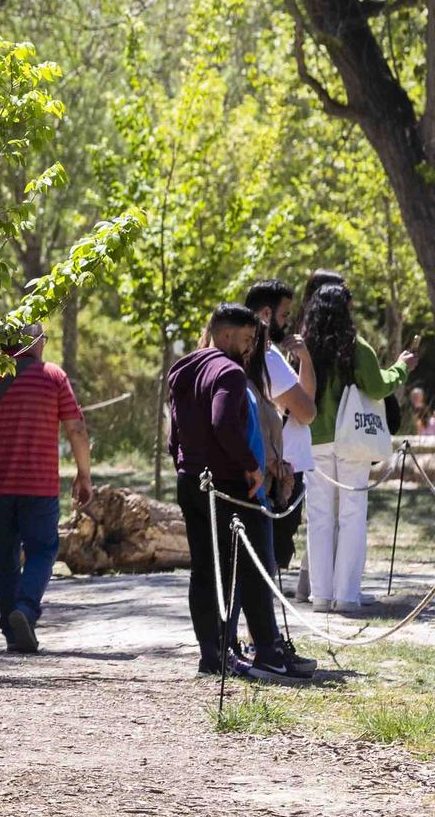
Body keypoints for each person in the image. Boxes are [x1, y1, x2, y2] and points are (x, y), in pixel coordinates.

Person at [169, 304, 309, 679]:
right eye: (246, 339)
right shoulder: (229, 373)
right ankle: (265, 652)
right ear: (226, 334)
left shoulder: (181, 369)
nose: (249, 349)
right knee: (247, 570)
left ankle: (213, 655)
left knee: (204, 570)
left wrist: (183, 465)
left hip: (191, 480)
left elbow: (175, 431)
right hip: (229, 485)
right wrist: (250, 465)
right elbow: (223, 421)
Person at [0, 323, 91, 654]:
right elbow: (76, 428)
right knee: (43, 549)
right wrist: (84, 474)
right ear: (37, 343)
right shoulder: (52, 377)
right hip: (39, 485)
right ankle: (25, 610)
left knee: (4, 556)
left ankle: (11, 629)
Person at [300, 283, 415, 612]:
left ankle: (321, 596)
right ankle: (346, 595)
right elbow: (378, 387)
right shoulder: (355, 347)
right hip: (351, 439)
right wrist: (402, 366)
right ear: (345, 309)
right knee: (352, 515)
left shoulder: (306, 347)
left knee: (319, 519)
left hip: (315, 439)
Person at [246, 279, 317, 575]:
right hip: (282, 466)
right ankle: (264, 618)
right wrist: (306, 360)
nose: (287, 321)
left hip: (272, 460)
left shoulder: (262, 353)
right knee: (272, 553)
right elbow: (307, 411)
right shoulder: (268, 357)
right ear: (266, 314)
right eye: (285, 314)